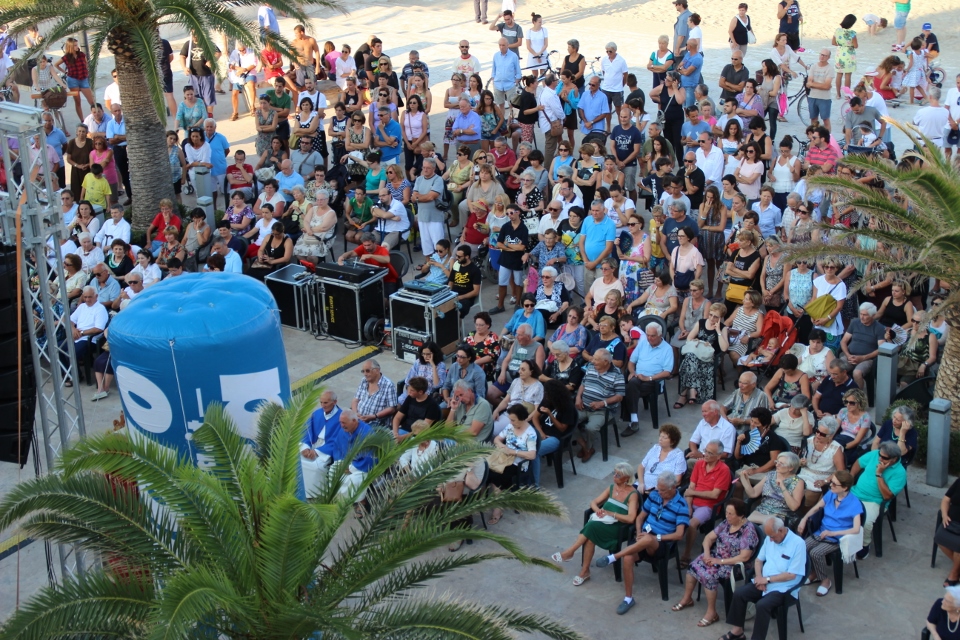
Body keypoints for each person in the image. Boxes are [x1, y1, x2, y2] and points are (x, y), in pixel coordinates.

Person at [594, 471, 690, 616]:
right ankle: (628, 599)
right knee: (628, 558)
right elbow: (640, 517)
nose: (659, 492)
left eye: (663, 490)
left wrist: (656, 537)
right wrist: (638, 532)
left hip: (661, 544)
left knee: (648, 539)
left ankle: (614, 557)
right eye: (658, 489)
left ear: (673, 488)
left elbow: (679, 534)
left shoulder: (681, 506)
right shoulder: (654, 495)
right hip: (643, 538)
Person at [673, 499, 759, 627]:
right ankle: (687, 598)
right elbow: (708, 538)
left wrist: (720, 561)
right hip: (716, 556)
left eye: (731, 514)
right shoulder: (727, 523)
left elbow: (744, 557)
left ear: (741, 515)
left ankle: (712, 612)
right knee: (693, 566)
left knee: (709, 576)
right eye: (726, 512)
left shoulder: (748, 531)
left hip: (734, 564)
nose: (727, 516)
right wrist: (707, 555)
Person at [552, 462, 639, 585]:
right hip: (602, 522)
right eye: (614, 473)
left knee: (591, 526)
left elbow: (631, 518)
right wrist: (598, 511)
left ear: (627, 478)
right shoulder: (611, 488)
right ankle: (584, 571)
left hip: (618, 528)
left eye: (618, 475)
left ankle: (570, 552)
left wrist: (611, 514)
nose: (614, 476)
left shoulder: (632, 495)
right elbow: (593, 502)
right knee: (590, 537)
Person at [720, 516, 807, 640]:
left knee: (762, 605)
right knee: (740, 593)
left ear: (781, 530)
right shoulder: (769, 539)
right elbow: (758, 560)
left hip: (784, 588)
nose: (770, 539)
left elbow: (791, 575)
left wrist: (766, 580)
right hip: (765, 582)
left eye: (772, 536)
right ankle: (737, 631)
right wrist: (759, 577)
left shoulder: (798, 544)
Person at [797, 469, 863, 597]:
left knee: (815, 553)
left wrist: (833, 533)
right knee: (803, 546)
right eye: (831, 482)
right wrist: (804, 519)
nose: (830, 485)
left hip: (838, 537)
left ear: (844, 487)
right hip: (822, 531)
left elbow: (856, 529)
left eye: (834, 484)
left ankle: (825, 580)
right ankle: (815, 573)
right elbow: (816, 508)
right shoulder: (831, 494)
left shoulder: (854, 503)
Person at [851, 441, 907, 559]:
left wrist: (879, 474)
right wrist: (851, 476)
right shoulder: (875, 454)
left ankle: (864, 545)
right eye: (880, 455)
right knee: (832, 507)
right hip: (855, 493)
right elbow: (859, 462)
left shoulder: (900, 473)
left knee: (865, 521)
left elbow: (887, 496)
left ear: (894, 459)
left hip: (874, 501)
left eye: (884, 458)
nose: (880, 458)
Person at [681, 440, 733, 565]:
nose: (705, 455)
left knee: (692, 524)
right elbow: (691, 487)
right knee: (672, 513)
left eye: (710, 453)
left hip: (708, 505)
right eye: (705, 451)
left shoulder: (724, 470)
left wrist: (693, 493)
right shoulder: (699, 464)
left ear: (719, 456)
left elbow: (714, 495)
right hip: (691, 500)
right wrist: (689, 506)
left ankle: (686, 555)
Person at [486, 404, 537, 524]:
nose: (511, 422)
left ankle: (498, 509)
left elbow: (532, 455)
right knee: (484, 470)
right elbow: (497, 439)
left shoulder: (530, 434)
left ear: (522, 418)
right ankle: (483, 501)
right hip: (504, 458)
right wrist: (502, 446)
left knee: (497, 477)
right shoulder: (510, 426)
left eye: (513, 420)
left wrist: (514, 452)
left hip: (517, 463)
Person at [623, 321, 674, 435]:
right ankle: (633, 419)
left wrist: (649, 378)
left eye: (653, 336)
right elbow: (631, 362)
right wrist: (632, 372)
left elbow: (667, 372)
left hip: (654, 381)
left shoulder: (667, 349)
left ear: (660, 335)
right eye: (648, 335)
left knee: (628, 389)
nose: (649, 338)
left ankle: (632, 421)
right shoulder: (643, 343)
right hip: (638, 378)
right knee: (632, 384)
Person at [529, 378, 577, 486]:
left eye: (547, 393)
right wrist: (541, 432)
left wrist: (550, 414)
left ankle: (534, 485)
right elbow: (535, 418)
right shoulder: (547, 401)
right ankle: (523, 477)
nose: (545, 395)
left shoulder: (567, 406)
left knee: (534, 452)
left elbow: (562, 428)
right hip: (543, 433)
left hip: (556, 438)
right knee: (522, 445)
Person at [299, 391, 344, 497]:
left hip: (327, 450)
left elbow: (339, 441)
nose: (323, 405)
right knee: (297, 460)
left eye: (326, 403)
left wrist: (317, 452)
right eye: (321, 402)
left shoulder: (341, 417)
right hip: (313, 445)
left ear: (335, 402)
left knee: (316, 467)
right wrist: (305, 447)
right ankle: (300, 490)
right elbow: (307, 430)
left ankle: (314, 494)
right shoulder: (317, 413)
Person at [840, 302, 886, 389]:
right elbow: (843, 341)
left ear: (873, 316)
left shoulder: (879, 328)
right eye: (861, 314)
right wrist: (848, 355)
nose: (861, 317)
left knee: (857, 373)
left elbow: (881, 349)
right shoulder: (855, 323)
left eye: (865, 315)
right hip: (850, 356)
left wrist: (863, 358)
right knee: (836, 367)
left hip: (867, 359)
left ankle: (859, 395)